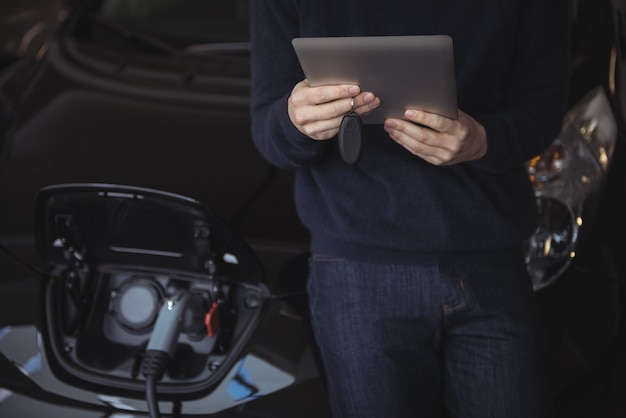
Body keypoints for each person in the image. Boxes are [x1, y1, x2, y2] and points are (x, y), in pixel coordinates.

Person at [249, 1, 571, 417]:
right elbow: (269, 131)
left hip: (491, 261)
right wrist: (295, 120)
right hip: (356, 268)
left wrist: (483, 140)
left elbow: (543, 108)